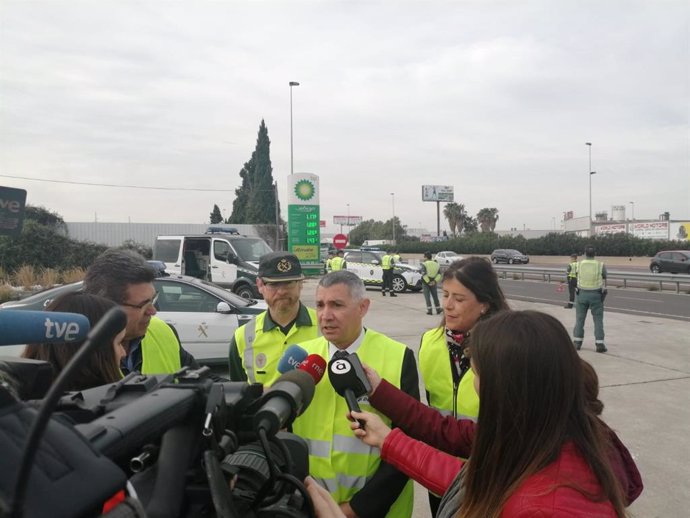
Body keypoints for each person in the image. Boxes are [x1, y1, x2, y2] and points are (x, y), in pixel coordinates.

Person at [351, 311, 632, 518]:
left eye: (476, 373)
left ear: (505, 385)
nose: (474, 385)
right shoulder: (546, 432)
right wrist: (387, 435)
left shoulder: (548, 506)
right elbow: (471, 478)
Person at [291, 271, 419, 518]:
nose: (325, 316)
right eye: (320, 305)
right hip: (312, 507)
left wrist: (357, 509)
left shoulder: (398, 356)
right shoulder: (302, 358)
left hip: (377, 511)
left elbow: (408, 446)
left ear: (363, 307)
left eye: (337, 305)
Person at [418, 256, 508, 515]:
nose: (448, 306)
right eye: (445, 295)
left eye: (459, 299)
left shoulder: (505, 349)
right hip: (440, 473)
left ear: (484, 304)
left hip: (490, 478)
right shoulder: (429, 342)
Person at [83, 249, 199, 375]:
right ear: (106, 307)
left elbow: (202, 381)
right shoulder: (76, 358)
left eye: (153, 299)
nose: (153, 311)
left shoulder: (162, 331)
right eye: (143, 305)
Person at [228, 252, 319, 385]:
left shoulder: (326, 327)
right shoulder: (242, 337)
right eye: (273, 284)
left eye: (288, 283)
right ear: (260, 285)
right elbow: (238, 393)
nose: (281, 291)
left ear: (301, 283)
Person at [21, 292, 126, 391]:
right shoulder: (108, 404)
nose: (123, 353)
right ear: (92, 351)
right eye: (119, 343)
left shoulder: (22, 398)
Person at [573, 246, 608, 352]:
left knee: (580, 319)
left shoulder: (578, 264)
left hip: (581, 294)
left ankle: (577, 343)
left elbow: (575, 276)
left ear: (585, 254)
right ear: (595, 254)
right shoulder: (600, 265)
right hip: (596, 295)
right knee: (598, 320)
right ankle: (599, 344)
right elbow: (605, 276)